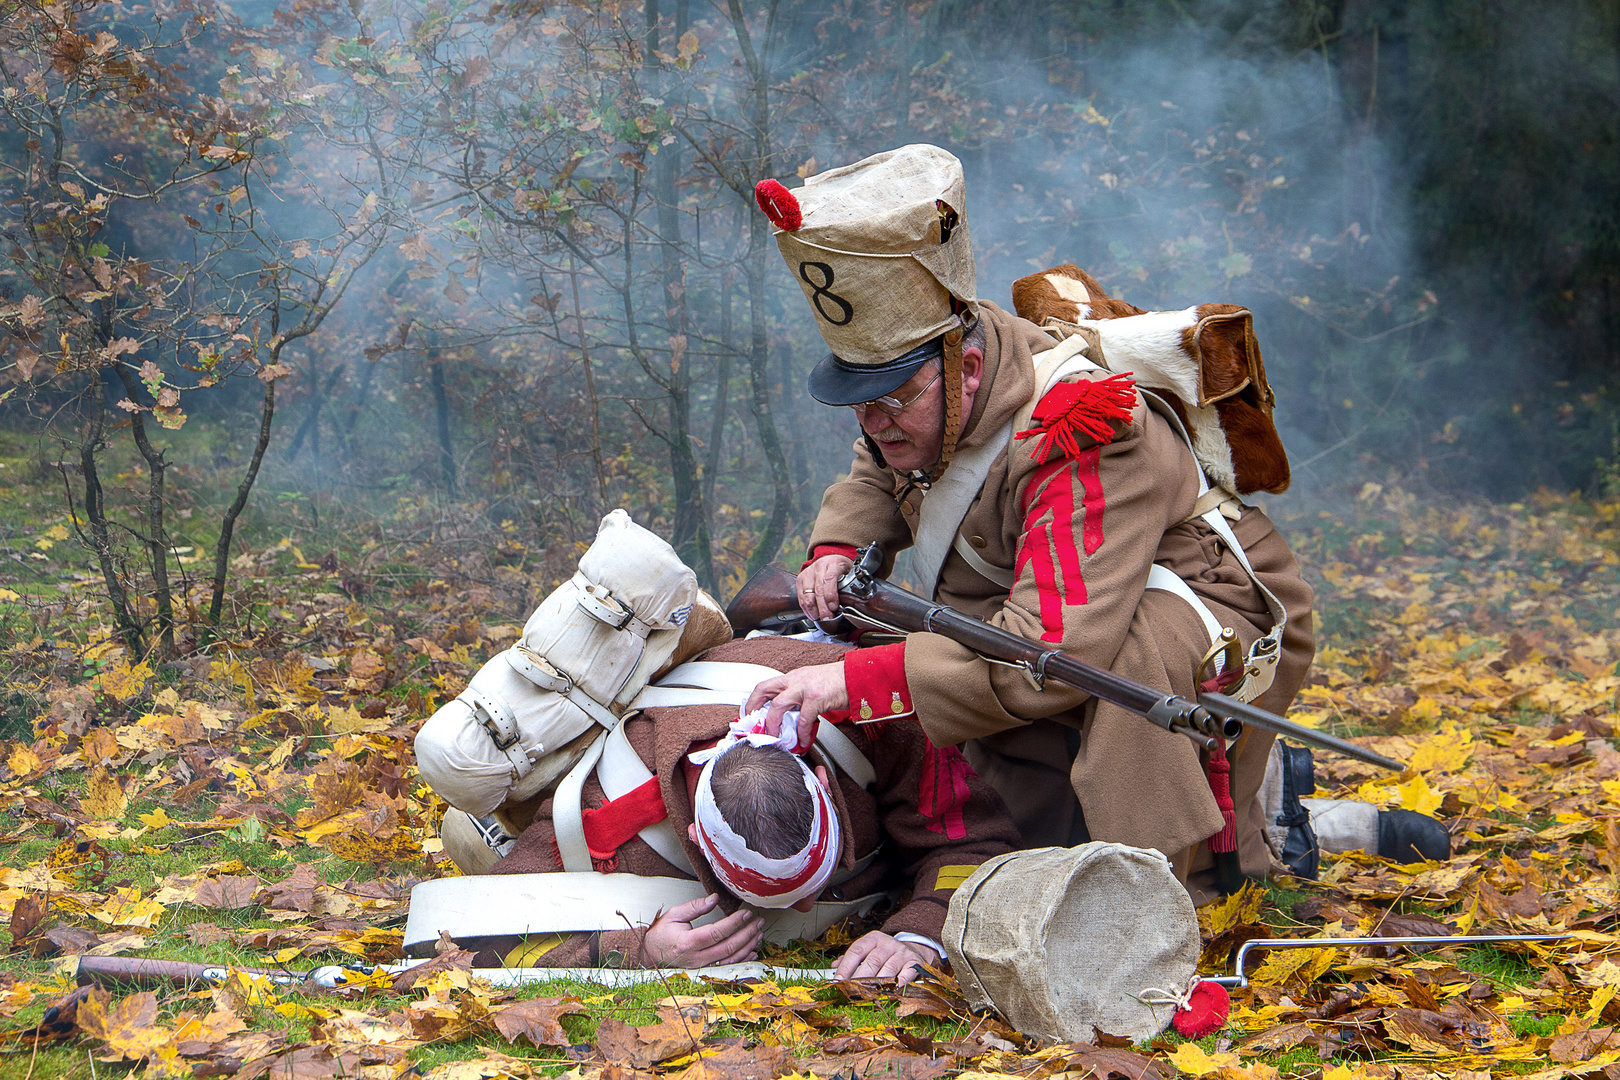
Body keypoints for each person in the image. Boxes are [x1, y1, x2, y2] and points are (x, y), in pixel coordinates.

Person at [740, 145, 1444, 901]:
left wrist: (854, 681)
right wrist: (838, 546)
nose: (875, 423)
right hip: (1043, 601)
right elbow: (880, 467)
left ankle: (1168, 888)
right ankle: (1260, 798)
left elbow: (1052, 648)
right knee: (1018, 828)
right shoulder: (925, 396)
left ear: (967, 370)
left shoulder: (1082, 430)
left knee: (1118, 674)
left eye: (891, 400)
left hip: (1193, 593)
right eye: (861, 405)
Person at [450, 636, 1021, 981]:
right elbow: (462, 948)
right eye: (779, 895)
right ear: (695, 837)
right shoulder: (603, 815)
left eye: (808, 883)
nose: (807, 907)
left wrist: (921, 932)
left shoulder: (874, 716)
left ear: (823, 779)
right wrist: (635, 951)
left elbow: (976, 844)